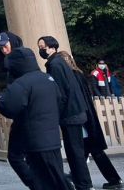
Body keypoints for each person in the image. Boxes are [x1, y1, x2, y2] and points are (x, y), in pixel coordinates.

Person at [0, 45, 71, 190]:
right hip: (52, 136)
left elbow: (7, 106)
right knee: (54, 173)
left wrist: (2, 98)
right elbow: (61, 101)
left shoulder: (22, 83)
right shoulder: (48, 79)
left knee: (44, 175)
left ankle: (36, 184)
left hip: (33, 137)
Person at [59, 51, 124, 189]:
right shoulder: (80, 74)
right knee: (91, 148)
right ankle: (114, 179)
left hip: (78, 116)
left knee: (81, 149)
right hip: (88, 115)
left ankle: (83, 179)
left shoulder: (70, 77)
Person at [38, 36, 94, 190]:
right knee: (75, 150)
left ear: (51, 47)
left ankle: (84, 184)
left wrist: (56, 112)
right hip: (75, 111)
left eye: (42, 46)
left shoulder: (55, 64)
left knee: (74, 152)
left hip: (70, 114)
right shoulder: (60, 62)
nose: (40, 49)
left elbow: (60, 92)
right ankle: (81, 182)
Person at [0, 32, 35, 189]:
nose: (4, 50)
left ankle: (39, 184)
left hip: (27, 115)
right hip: (27, 115)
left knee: (17, 156)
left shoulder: (21, 62)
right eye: (1, 47)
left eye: (5, 45)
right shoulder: (14, 62)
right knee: (33, 156)